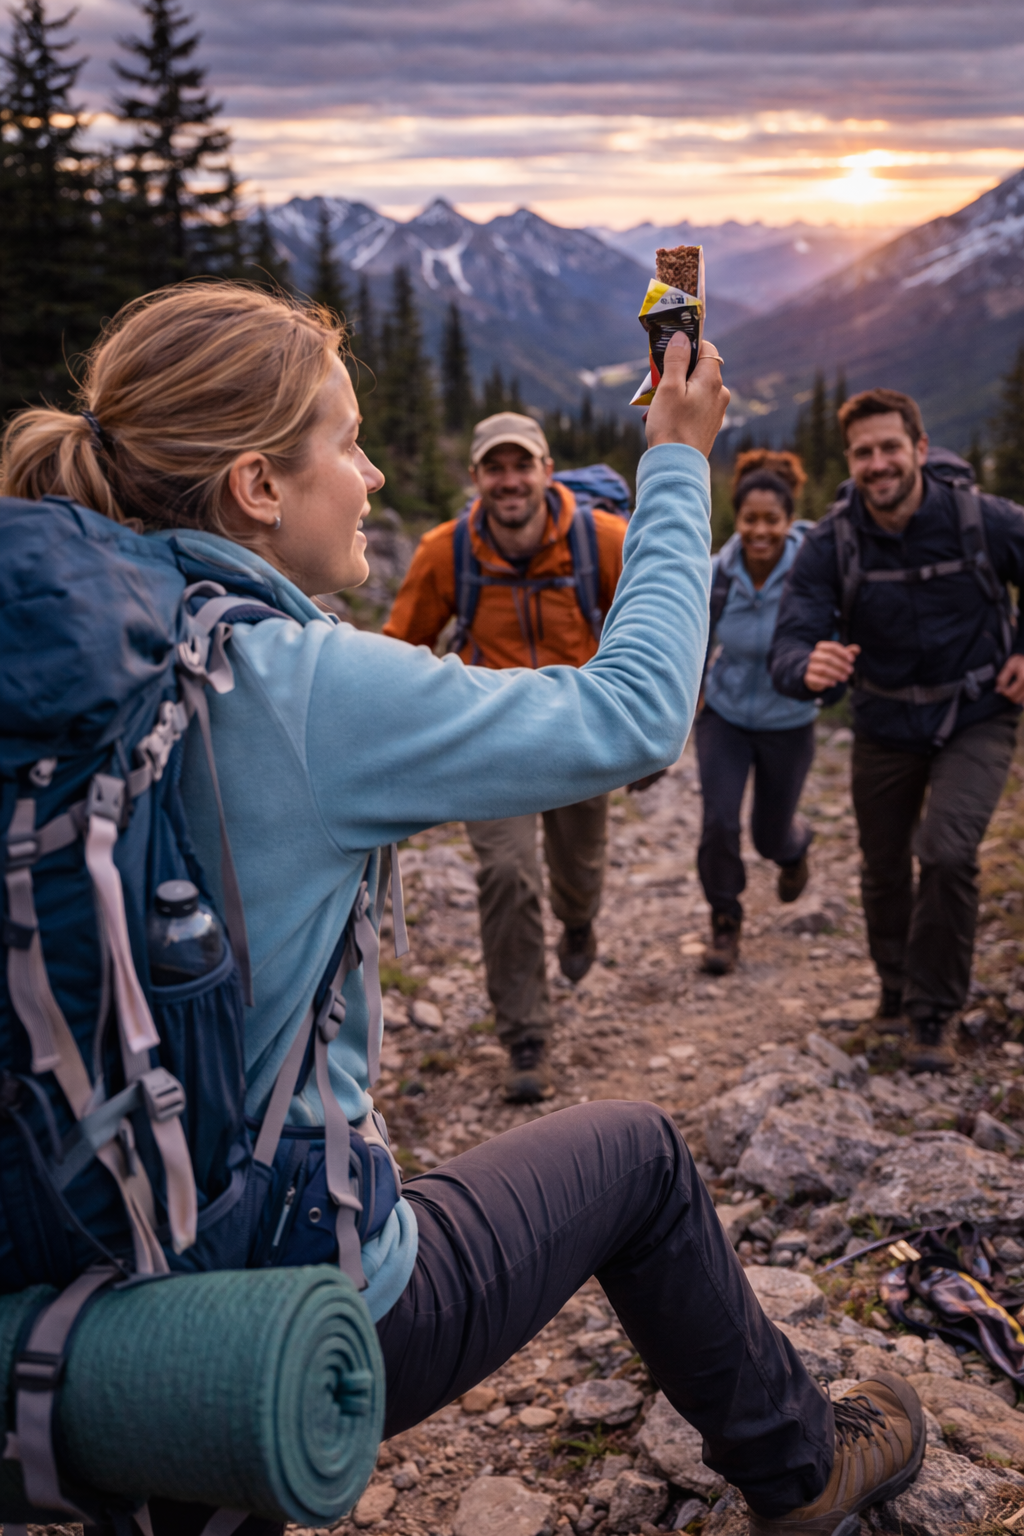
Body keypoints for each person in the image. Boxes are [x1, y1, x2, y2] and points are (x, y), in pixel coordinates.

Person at [1, 286, 925, 1536]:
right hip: (299, 1304)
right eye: (346, 441)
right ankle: (802, 1467)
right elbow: (636, 714)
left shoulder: (49, 681)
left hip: (54, 1278)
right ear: (260, 487)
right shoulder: (292, 682)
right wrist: (671, 460)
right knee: (639, 1156)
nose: (376, 474)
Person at [770, 387, 1024, 1072]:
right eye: (862, 453)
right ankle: (894, 988)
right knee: (883, 868)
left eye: (889, 448)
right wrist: (808, 666)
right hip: (883, 721)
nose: (877, 464)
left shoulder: (982, 519)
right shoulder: (833, 542)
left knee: (944, 850)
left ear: (918, 449)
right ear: (849, 462)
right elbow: (790, 642)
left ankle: (932, 1013)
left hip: (978, 711)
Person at [384, 412, 627, 1102]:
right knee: (507, 873)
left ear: (547, 471)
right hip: (490, 741)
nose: (510, 480)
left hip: (580, 735)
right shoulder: (445, 551)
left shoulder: (602, 540)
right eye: (496, 467)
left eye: (523, 465)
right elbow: (402, 651)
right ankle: (526, 1036)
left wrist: (665, 723)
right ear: (476, 479)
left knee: (577, 870)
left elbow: (666, 626)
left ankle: (579, 921)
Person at [697, 453, 818, 973]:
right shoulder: (717, 574)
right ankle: (725, 922)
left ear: (788, 521)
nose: (760, 530)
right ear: (737, 519)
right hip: (724, 717)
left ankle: (793, 850)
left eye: (772, 520)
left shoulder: (814, 575)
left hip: (789, 721)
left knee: (770, 836)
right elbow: (694, 645)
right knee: (719, 823)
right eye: (751, 519)